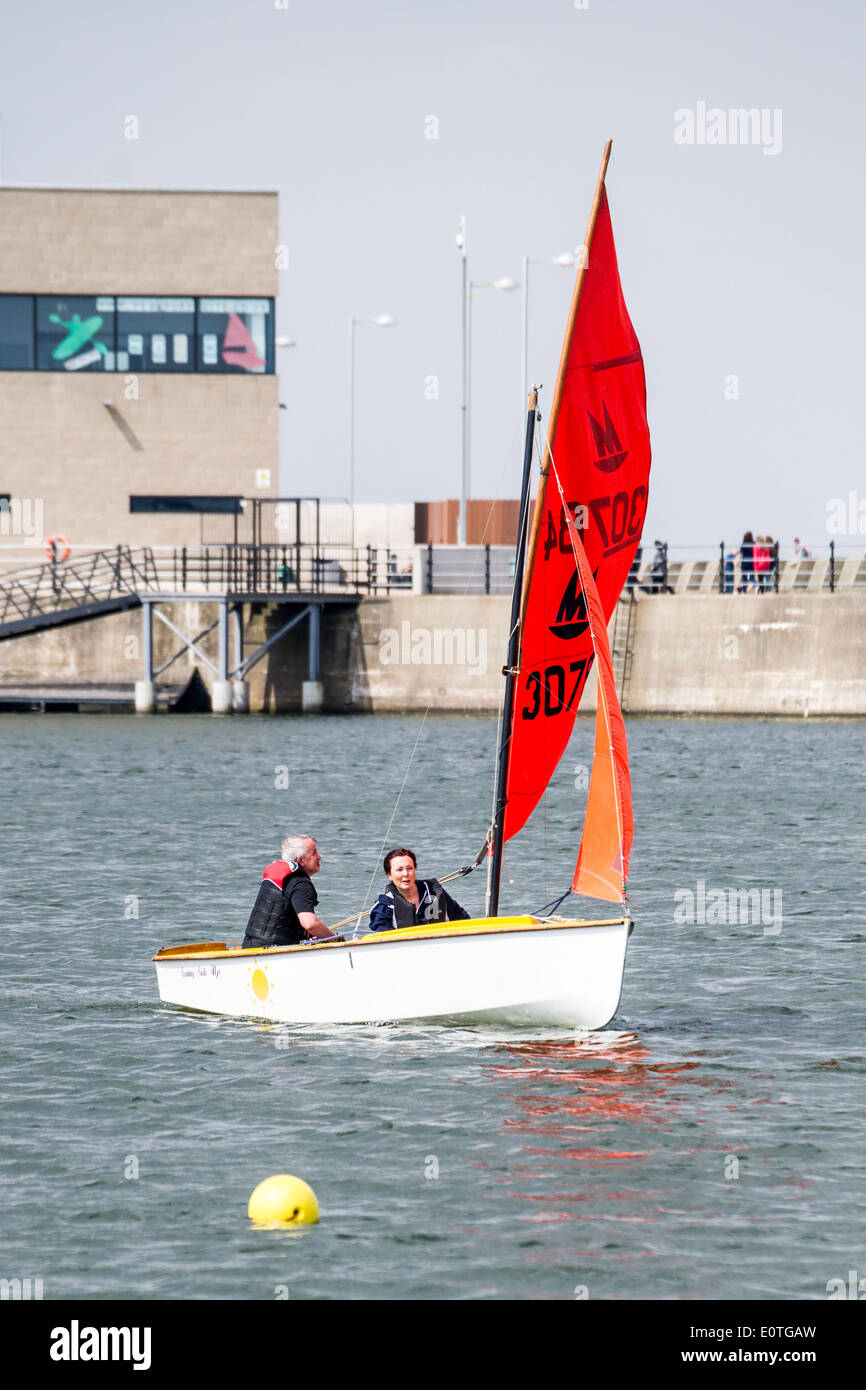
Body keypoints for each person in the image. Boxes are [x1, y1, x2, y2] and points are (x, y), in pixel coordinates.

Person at [242, 835, 335, 949]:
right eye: (314, 853)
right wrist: (335, 939)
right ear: (301, 860)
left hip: (250, 946)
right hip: (273, 952)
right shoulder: (300, 883)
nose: (319, 857)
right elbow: (310, 924)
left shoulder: (282, 876)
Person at [368, 848, 471, 932]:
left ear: (415, 870)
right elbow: (382, 941)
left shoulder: (435, 892)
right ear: (389, 875)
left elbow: (464, 920)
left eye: (409, 868)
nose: (405, 874)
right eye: (399, 870)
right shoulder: (383, 907)